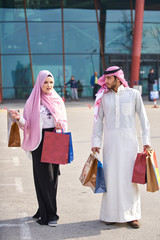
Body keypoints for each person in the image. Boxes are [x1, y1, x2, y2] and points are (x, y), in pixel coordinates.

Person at [91, 66, 151, 229]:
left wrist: (146, 141)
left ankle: (132, 215)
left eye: (109, 78)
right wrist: (95, 143)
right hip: (110, 145)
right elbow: (98, 121)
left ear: (118, 78)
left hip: (129, 144)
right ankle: (110, 215)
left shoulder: (133, 95)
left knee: (129, 180)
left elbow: (144, 120)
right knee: (111, 179)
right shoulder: (104, 97)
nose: (105, 81)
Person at [10, 70, 67, 227]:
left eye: (51, 82)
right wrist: (18, 118)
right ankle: (50, 215)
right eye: (45, 82)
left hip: (55, 139)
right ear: (40, 83)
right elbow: (26, 124)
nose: (48, 85)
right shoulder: (32, 101)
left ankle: (45, 210)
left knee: (53, 178)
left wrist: (60, 124)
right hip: (39, 141)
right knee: (43, 178)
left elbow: (64, 120)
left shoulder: (57, 100)